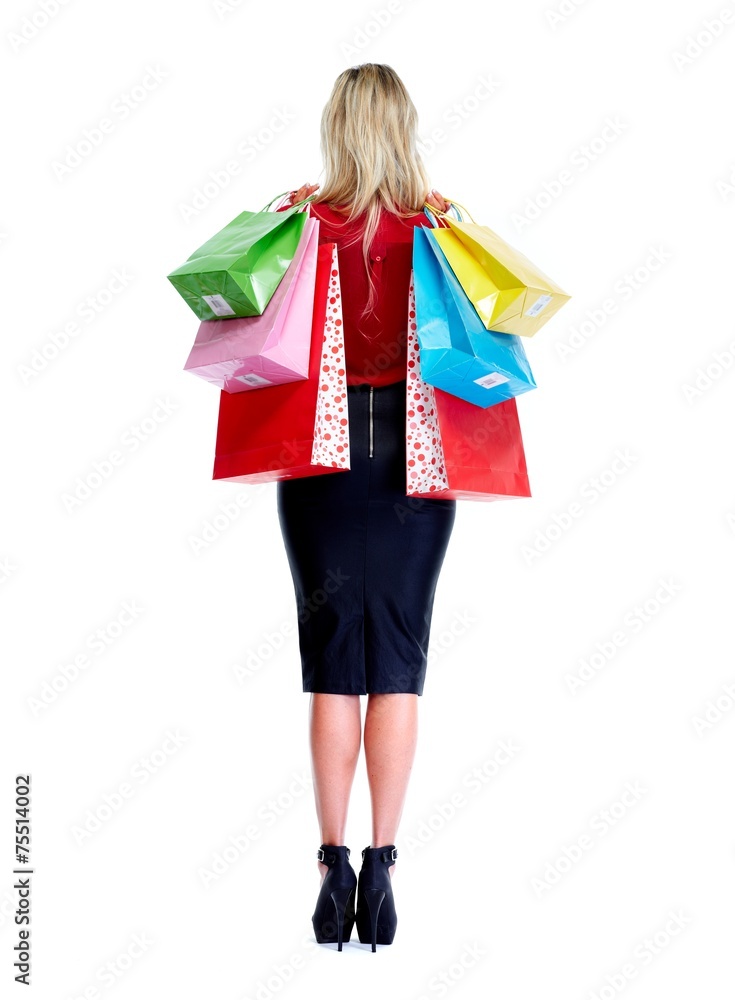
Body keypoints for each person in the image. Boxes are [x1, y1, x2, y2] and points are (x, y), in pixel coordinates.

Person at [275, 63, 456, 952]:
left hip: (322, 455)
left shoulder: (304, 221)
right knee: (398, 656)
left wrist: (283, 213)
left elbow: (235, 312)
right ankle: (384, 865)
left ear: (337, 126)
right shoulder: (438, 226)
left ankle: (330, 861)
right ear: (404, 126)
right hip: (416, 460)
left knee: (331, 658)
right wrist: (450, 219)